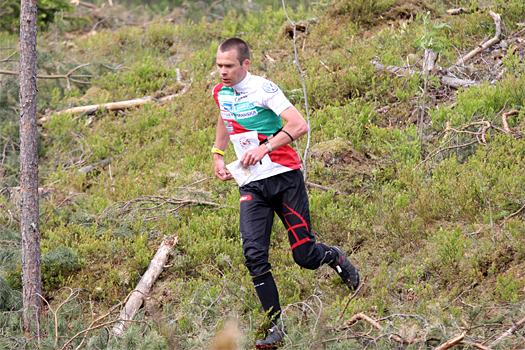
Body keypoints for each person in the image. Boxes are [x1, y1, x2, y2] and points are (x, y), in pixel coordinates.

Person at [211, 37, 359, 349]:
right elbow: (225, 120)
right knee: (254, 255)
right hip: (252, 183)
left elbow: (299, 125)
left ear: (245, 64)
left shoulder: (264, 89)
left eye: (229, 66)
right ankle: (277, 327)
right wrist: (217, 155)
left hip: (284, 178)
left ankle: (334, 256)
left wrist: (265, 147)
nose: (222, 71)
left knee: (304, 257)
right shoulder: (221, 92)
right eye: (219, 65)